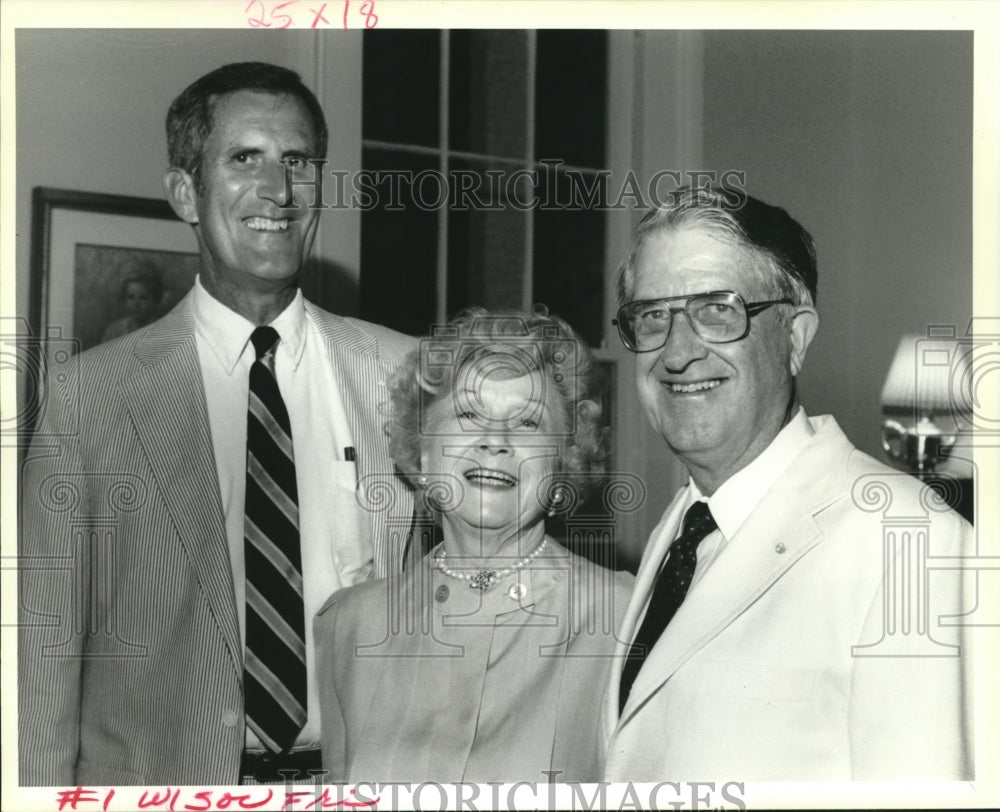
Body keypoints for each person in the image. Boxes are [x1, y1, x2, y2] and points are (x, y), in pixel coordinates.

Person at [19, 62, 415, 786]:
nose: (278, 191)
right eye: (244, 160)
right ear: (184, 194)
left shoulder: (403, 374)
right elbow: (40, 665)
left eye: (296, 161)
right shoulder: (88, 399)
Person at [603, 185, 973, 781]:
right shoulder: (680, 532)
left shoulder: (910, 540)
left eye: (717, 311)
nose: (676, 353)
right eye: (652, 317)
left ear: (795, 338)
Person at [316, 308, 634, 782]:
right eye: (468, 414)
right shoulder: (348, 625)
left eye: (527, 423)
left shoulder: (625, 617)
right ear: (422, 453)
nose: (495, 441)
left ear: (563, 464)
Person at [101, 260, 164, 342]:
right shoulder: (114, 332)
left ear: (155, 300)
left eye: (143, 298)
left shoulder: (163, 332)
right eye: (131, 297)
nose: (136, 304)